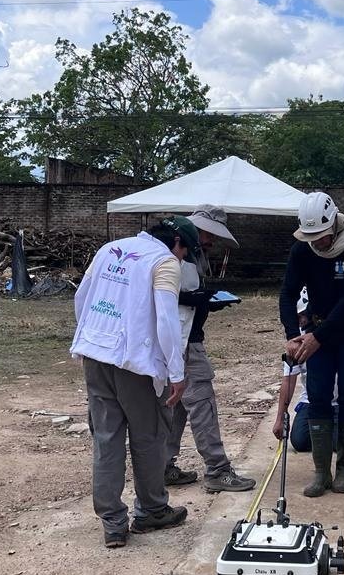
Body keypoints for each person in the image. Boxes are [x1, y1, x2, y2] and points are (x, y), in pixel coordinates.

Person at [71, 222, 189, 548]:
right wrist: (176, 373)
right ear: (176, 243)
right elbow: (167, 320)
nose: (181, 260)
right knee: (149, 436)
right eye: (184, 253)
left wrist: (90, 338)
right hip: (133, 363)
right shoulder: (162, 262)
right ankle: (152, 509)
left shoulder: (109, 250)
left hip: (96, 354)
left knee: (106, 439)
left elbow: (82, 297)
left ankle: (112, 524)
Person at [279, 192, 344, 497]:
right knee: (318, 394)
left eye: (321, 236)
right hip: (318, 327)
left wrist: (317, 337)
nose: (317, 243)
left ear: (334, 224)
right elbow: (287, 293)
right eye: (311, 237)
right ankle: (321, 472)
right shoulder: (302, 250)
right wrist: (294, 333)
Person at [162, 208, 256, 493]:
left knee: (175, 405)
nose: (211, 242)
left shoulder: (187, 254)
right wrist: (198, 299)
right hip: (185, 343)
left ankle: (163, 465)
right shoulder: (178, 256)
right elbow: (170, 296)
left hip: (178, 339)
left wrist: (204, 300)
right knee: (202, 402)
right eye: (208, 234)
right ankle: (217, 469)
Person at [273, 289, 339, 454]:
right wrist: (280, 417)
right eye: (297, 317)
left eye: (303, 315)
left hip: (339, 402)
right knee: (300, 441)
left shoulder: (336, 333)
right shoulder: (297, 340)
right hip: (311, 402)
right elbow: (288, 379)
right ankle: (323, 430)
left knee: (339, 444)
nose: (300, 321)